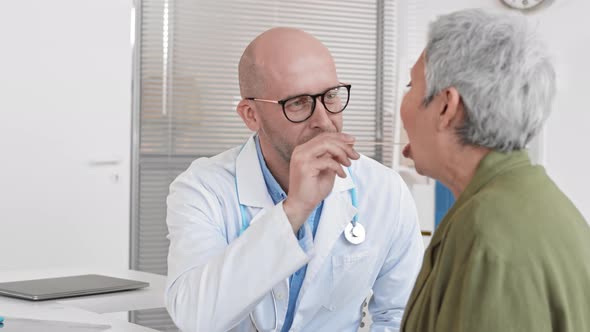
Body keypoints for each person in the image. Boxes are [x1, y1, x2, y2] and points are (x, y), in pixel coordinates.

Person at [165, 27, 424, 332]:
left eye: (330, 96)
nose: (325, 121)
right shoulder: (203, 188)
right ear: (251, 115)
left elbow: (403, 317)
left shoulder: (384, 190)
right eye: (298, 103)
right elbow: (195, 317)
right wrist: (293, 211)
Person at [399, 9, 590, 332]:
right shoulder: (535, 204)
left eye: (410, 85)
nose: (402, 105)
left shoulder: (489, 235)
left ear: (446, 106)